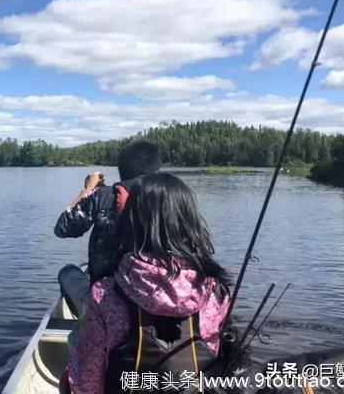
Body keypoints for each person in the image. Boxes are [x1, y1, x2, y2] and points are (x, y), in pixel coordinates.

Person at [62, 173, 230, 394]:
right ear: (190, 223)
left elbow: (87, 384)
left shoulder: (105, 293)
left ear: (130, 222)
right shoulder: (214, 291)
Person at [54, 141, 162, 285]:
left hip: (107, 294)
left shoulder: (103, 196)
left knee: (67, 272)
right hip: (154, 290)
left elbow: (62, 229)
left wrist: (88, 190)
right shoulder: (172, 196)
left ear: (121, 169)